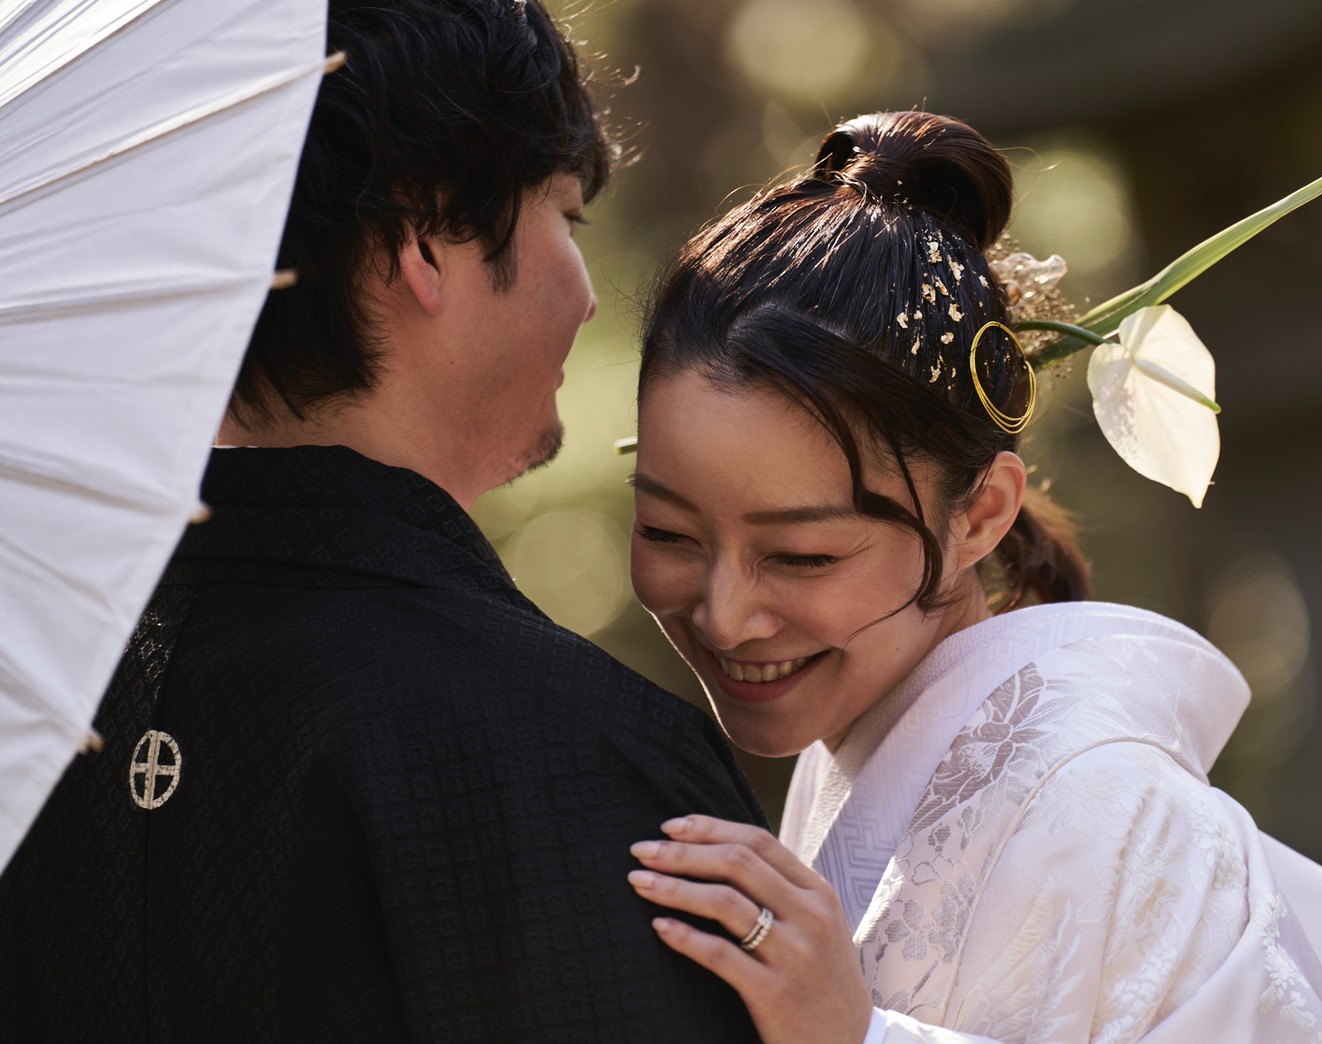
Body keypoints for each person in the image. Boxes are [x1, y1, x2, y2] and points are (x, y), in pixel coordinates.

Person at [621, 110, 1322, 1042]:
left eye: (802, 556)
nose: (725, 615)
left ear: (980, 515)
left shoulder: (1101, 806)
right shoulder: (853, 752)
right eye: (667, 532)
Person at [0, 1, 763, 1040]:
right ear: (424, 238)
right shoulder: (581, 756)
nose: (588, 296)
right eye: (565, 216)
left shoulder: (40, 701)